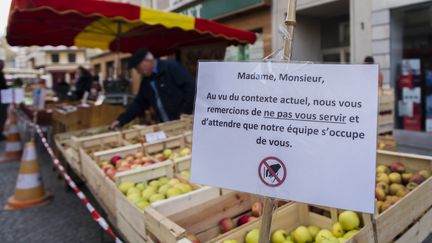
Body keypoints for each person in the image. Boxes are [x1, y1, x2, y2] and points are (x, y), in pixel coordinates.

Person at [111, 48, 195, 129]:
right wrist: (121, 120)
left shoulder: (171, 67)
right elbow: (139, 103)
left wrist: (185, 112)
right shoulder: (146, 81)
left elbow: (191, 88)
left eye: (138, 68)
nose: (138, 72)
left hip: (185, 122)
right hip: (167, 125)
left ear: (147, 61)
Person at [0, 59, 8, 140]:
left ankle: (1, 133)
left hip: (3, 99)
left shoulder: (1, 74)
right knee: (2, 116)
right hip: (1, 100)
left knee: (3, 117)